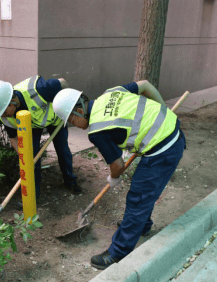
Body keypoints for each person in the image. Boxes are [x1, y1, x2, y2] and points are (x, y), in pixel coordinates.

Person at [52, 80, 186, 269]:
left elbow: (118, 164)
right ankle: (142, 226)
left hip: (163, 149)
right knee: (145, 191)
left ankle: (118, 252)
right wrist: (164, 110)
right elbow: (145, 85)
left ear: (79, 111)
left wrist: (114, 178)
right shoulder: (111, 92)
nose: (75, 125)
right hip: (173, 134)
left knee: (138, 198)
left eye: (72, 121)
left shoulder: (97, 131)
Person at [0, 75, 81, 207]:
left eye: (4, 112)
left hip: (56, 118)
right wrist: (25, 157)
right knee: (31, 159)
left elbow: (62, 82)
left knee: (62, 150)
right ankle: (32, 197)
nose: (3, 116)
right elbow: (13, 138)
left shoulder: (39, 90)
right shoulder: (4, 115)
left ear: (13, 101)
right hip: (31, 126)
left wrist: (71, 107)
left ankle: (70, 181)